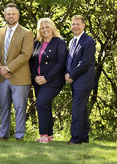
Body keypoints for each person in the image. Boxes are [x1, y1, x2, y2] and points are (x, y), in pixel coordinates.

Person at [0, 3, 33, 141]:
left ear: (18, 15)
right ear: (5, 16)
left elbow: (25, 54)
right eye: (8, 14)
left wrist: (8, 68)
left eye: (13, 14)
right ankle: (3, 134)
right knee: (4, 107)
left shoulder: (27, 33)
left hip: (20, 77)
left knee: (20, 107)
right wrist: (2, 69)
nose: (11, 16)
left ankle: (19, 135)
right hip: (3, 77)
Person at [29, 18, 67, 143]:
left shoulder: (59, 42)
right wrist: (35, 76)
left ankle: (43, 135)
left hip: (53, 81)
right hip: (38, 81)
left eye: (47, 27)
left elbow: (60, 63)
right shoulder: (37, 43)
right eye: (42, 28)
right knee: (45, 105)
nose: (45, 30)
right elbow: (32, 61)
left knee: (41, 103)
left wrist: (46, 78)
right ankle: (49, 135)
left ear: (52, 28)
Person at [65, 15, 96, 144]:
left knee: (77, 109)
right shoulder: (72, 41)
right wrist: (67, 73)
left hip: (84, 80)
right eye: (73, 24)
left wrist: (71, 75)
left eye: (78, 24)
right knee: (81, 109)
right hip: (74, 79)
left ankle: (75, 139)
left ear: (83, 25)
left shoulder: (89, 41)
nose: (75, 26)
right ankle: (84, 137)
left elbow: (84, 63)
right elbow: (69, 60)